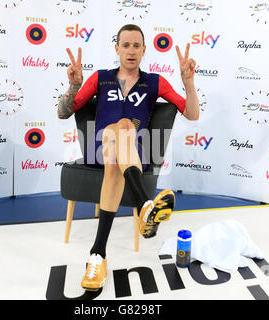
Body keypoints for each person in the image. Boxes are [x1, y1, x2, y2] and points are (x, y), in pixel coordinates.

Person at [57, 24, 199, 291]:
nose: (131, 51)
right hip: (97, 148)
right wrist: (73, 86)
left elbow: (191, 114)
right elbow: (63, 113)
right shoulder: (100, 78)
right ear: (117, 49)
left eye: (136, 46)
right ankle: (145, 205)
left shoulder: (155, 82)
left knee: (118, 153)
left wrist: (188, 83)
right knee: (120, 128)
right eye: (126, 45)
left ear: (144, 50)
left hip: (135, 152)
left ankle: (97, 255)